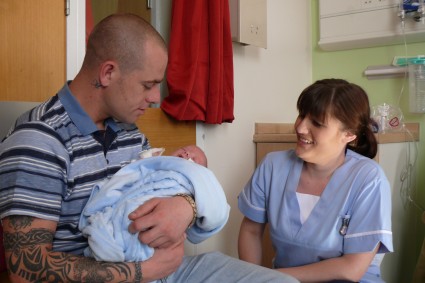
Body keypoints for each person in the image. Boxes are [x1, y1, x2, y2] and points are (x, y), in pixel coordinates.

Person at [0, 13, 298, 283]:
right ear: (107, 73)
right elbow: (26, 271)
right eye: (147, 85)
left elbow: (158, 185)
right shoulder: (39, 140)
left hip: (164, 269)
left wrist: (186, 205)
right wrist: (142, 272)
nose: (156, 97)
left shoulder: (126, 130)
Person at [238, 79, 393, 282]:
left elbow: (351, 268)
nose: (301, 128)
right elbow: (250, 230)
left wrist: (269, 278)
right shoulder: (273, 166)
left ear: (349, 134)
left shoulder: (368, 179)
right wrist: (253, 278)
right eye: (301, 115)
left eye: (317, 123)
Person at [79, 145, 224, 264]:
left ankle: (117, 244)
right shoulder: (155, 164)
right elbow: (135, 173)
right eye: (185, 148)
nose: (187, 153)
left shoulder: (198, 178)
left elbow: (213, 201)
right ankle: (109, 237)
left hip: (158, 206)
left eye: (194, 158)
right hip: (134, 198)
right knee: (127, 211)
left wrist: (187, 205)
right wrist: (148, 160)